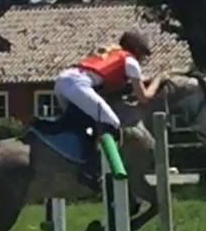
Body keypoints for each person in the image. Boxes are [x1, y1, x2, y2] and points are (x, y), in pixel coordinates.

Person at [52, 30, 161, 184]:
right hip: (78, 84)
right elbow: (143, 98)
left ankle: (73, 161)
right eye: (143, 53)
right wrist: (159, 79)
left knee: (82, 125)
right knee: (112, 123)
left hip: (63, 80)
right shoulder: (130, 61)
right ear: (136, 49)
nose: (143, 58)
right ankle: (91, 170)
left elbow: (106, 86)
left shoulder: (113, 53)